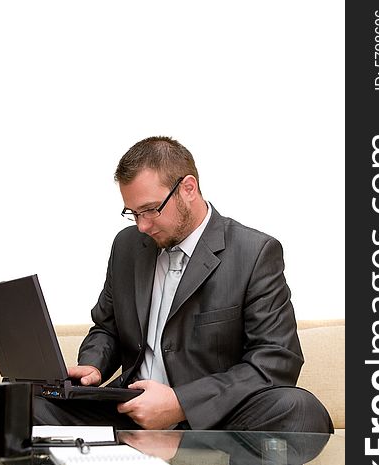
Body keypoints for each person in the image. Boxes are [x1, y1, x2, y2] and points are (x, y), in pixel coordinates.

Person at [33, 136, 332, 434]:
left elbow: (276, 359)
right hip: (128, 410)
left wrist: (181, 403)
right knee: (19, 402)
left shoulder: (253, 253)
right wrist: (93, 365)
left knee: (298, 410)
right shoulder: (126, 246)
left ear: (188, 188)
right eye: (133, 213)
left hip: (211, 420)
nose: (142, 226)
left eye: (150, 209)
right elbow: (107, 327)